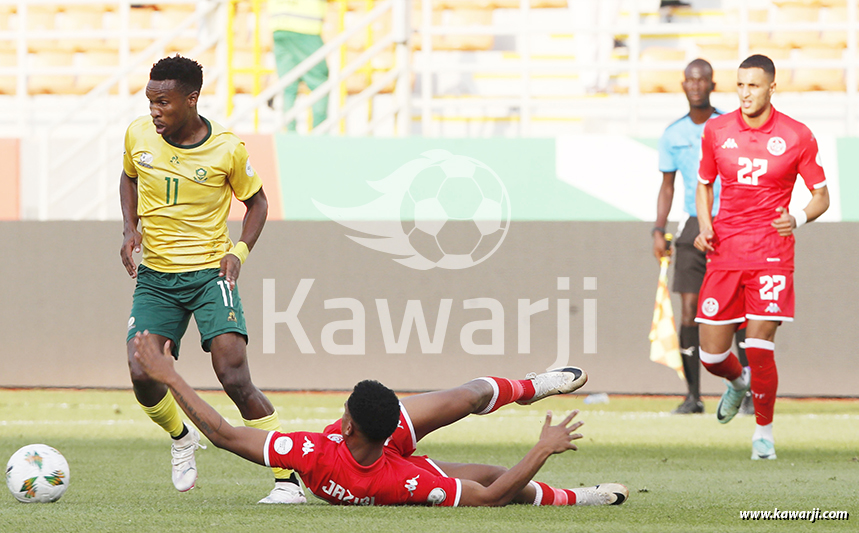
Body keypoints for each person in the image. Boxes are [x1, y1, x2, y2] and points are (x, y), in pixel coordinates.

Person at [132, 330, 629, 508]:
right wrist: (541, 449)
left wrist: (171, 375)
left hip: (369, 453)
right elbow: (492, 497)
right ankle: (576, 498)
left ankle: (530, 388)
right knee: (499, 476)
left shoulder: (314, 452)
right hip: (384, 462)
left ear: (346, 425)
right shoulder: (403, 482)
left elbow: (221, 434)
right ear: (385, 428)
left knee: (465, 397)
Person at [119, 55, 305, 504]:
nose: (154, 111)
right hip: (157, 278)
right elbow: (128, 177)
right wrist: (129, 228)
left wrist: (239, 250)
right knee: (141, 371)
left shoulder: (226, 148)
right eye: (150, 101)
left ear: (191, 99)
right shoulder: (138, 135)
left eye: (163, 102)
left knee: (233, 373)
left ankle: (289, 479)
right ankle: (181, 437)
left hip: (209, 275)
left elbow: (257, 202)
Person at [694, 54, 829, 459]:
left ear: (772, 88)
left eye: (753, 85)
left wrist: (799, 217)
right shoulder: (716, 131)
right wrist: (705, 225)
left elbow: (821, 195)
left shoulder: (797, 135)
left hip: (772, 253)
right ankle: (737, 383)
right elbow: (703, 184)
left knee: (758, 344)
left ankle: (763, 434)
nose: (745, 93)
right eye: (740, 85)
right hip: (725, 252)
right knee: (713, 356)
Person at [654, 58, 753, 416]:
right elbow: (667, 186)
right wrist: (657, 228)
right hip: (694, 223)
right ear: (683, 85)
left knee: (740, 311)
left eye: (703, 80)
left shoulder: (731, 124)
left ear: (712, 85)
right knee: (689, 311)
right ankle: (693, 395)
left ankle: (746, 391)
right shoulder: (673, 134)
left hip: (730, 221)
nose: (696, 85)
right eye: (690, 80)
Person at [269, 0, 329, 132]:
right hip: (305, 29)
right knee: (319, 82)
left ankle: (290, 132)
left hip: (279, 27)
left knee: (288, 86)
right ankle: (320, 131)